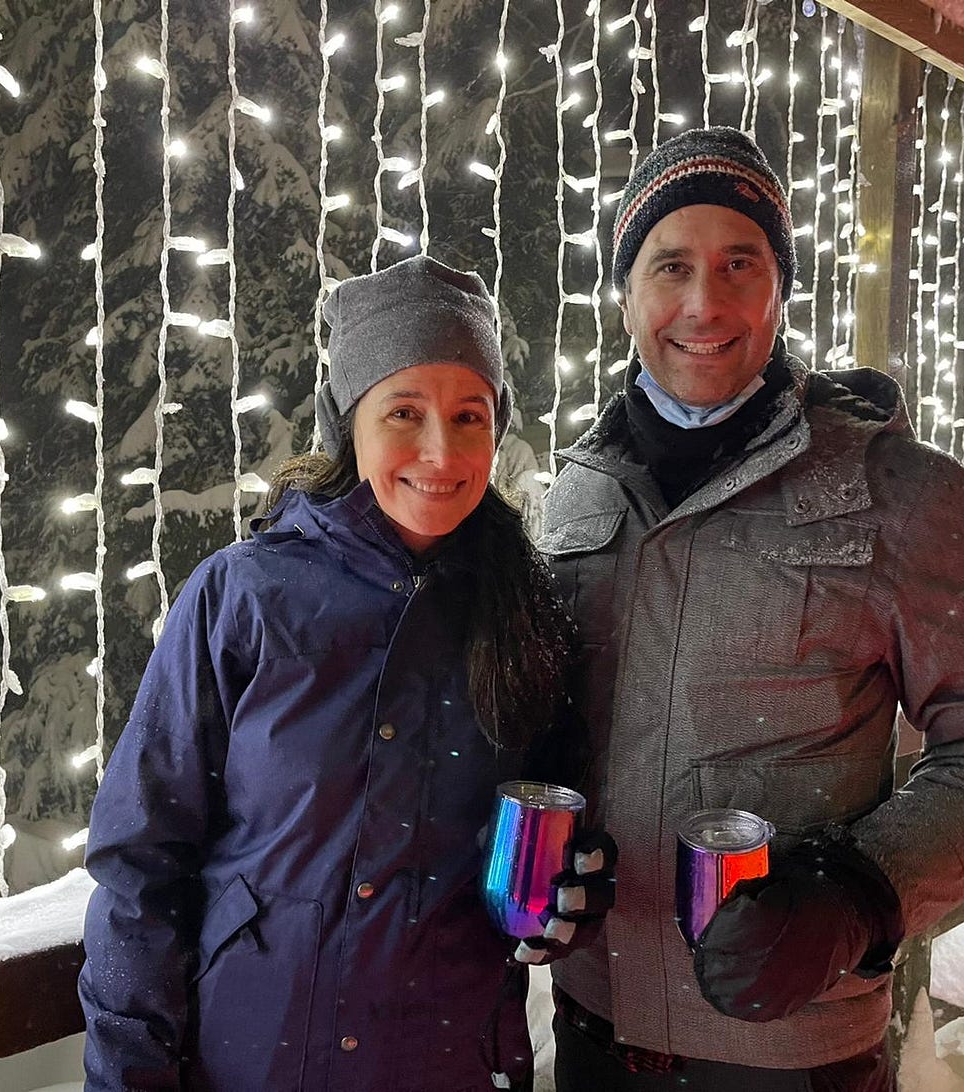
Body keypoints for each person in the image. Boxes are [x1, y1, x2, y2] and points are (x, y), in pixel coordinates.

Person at [538, 126, 964, 1090]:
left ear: (780, 288)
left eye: (739, 264)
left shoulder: (895, 492)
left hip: (790, 1057)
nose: (703, 303)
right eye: (670, 267)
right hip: (590, 1028)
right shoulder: (576, 492)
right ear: (625, 296)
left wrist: (860, 894)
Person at [78, 256, 612, 1092]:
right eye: (406, 411)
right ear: (347, 422)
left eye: (471, 416)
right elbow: (141, 859)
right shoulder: (243, 595)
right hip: (252, 1060)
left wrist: (577, 887)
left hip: (447, 1061)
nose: (441, 450)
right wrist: (129, 1076)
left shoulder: (519, 611)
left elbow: (554, 827)